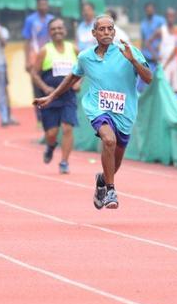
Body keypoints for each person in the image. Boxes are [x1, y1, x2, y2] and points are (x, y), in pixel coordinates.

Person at [33, 13, 153, 211]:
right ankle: (111, 190)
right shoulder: (85, 57)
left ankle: (103, 181)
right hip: (98, 106)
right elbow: (72, 77)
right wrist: (51, 96)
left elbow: (148, 79)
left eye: (109, 29)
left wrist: (134, 61)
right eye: (102, 29)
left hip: (125, 111)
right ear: (94, 33)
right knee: (108, 140)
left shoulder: (128, 51)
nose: (106, 32)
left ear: (114, 32)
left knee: (117, 160)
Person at [29, 17, 77, 175]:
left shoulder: (73, 49)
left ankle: (64, 162)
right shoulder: (45, 50)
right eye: (54, 29)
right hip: (49, 98)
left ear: (65, 30)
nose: (57, 31)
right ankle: (50, 146)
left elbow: (84, 69)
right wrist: (45, 87)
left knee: (67, 127)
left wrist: (79, 83)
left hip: (68, 95)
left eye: (60, 28)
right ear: (49, 32)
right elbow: (34, 73)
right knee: (51, 133)